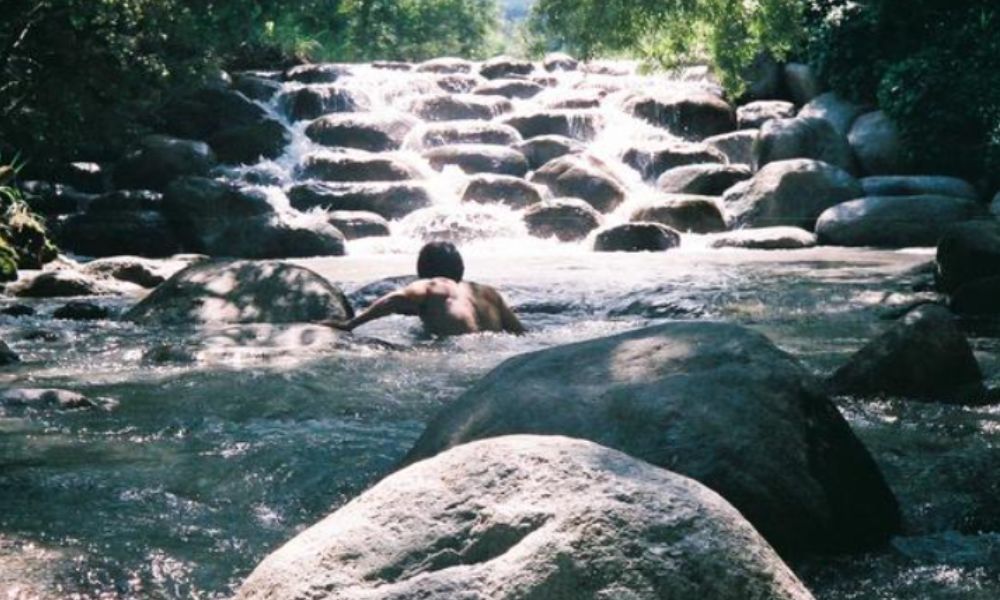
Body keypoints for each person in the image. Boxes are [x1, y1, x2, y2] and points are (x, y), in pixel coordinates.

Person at [327, 242, 525, 337]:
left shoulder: (432, 285)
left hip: (456, 356)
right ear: (460, 268)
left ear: (423, 269)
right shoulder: (488, 292)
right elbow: (519, 332)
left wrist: (351, 324)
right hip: (493, 353)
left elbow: (394, 300)